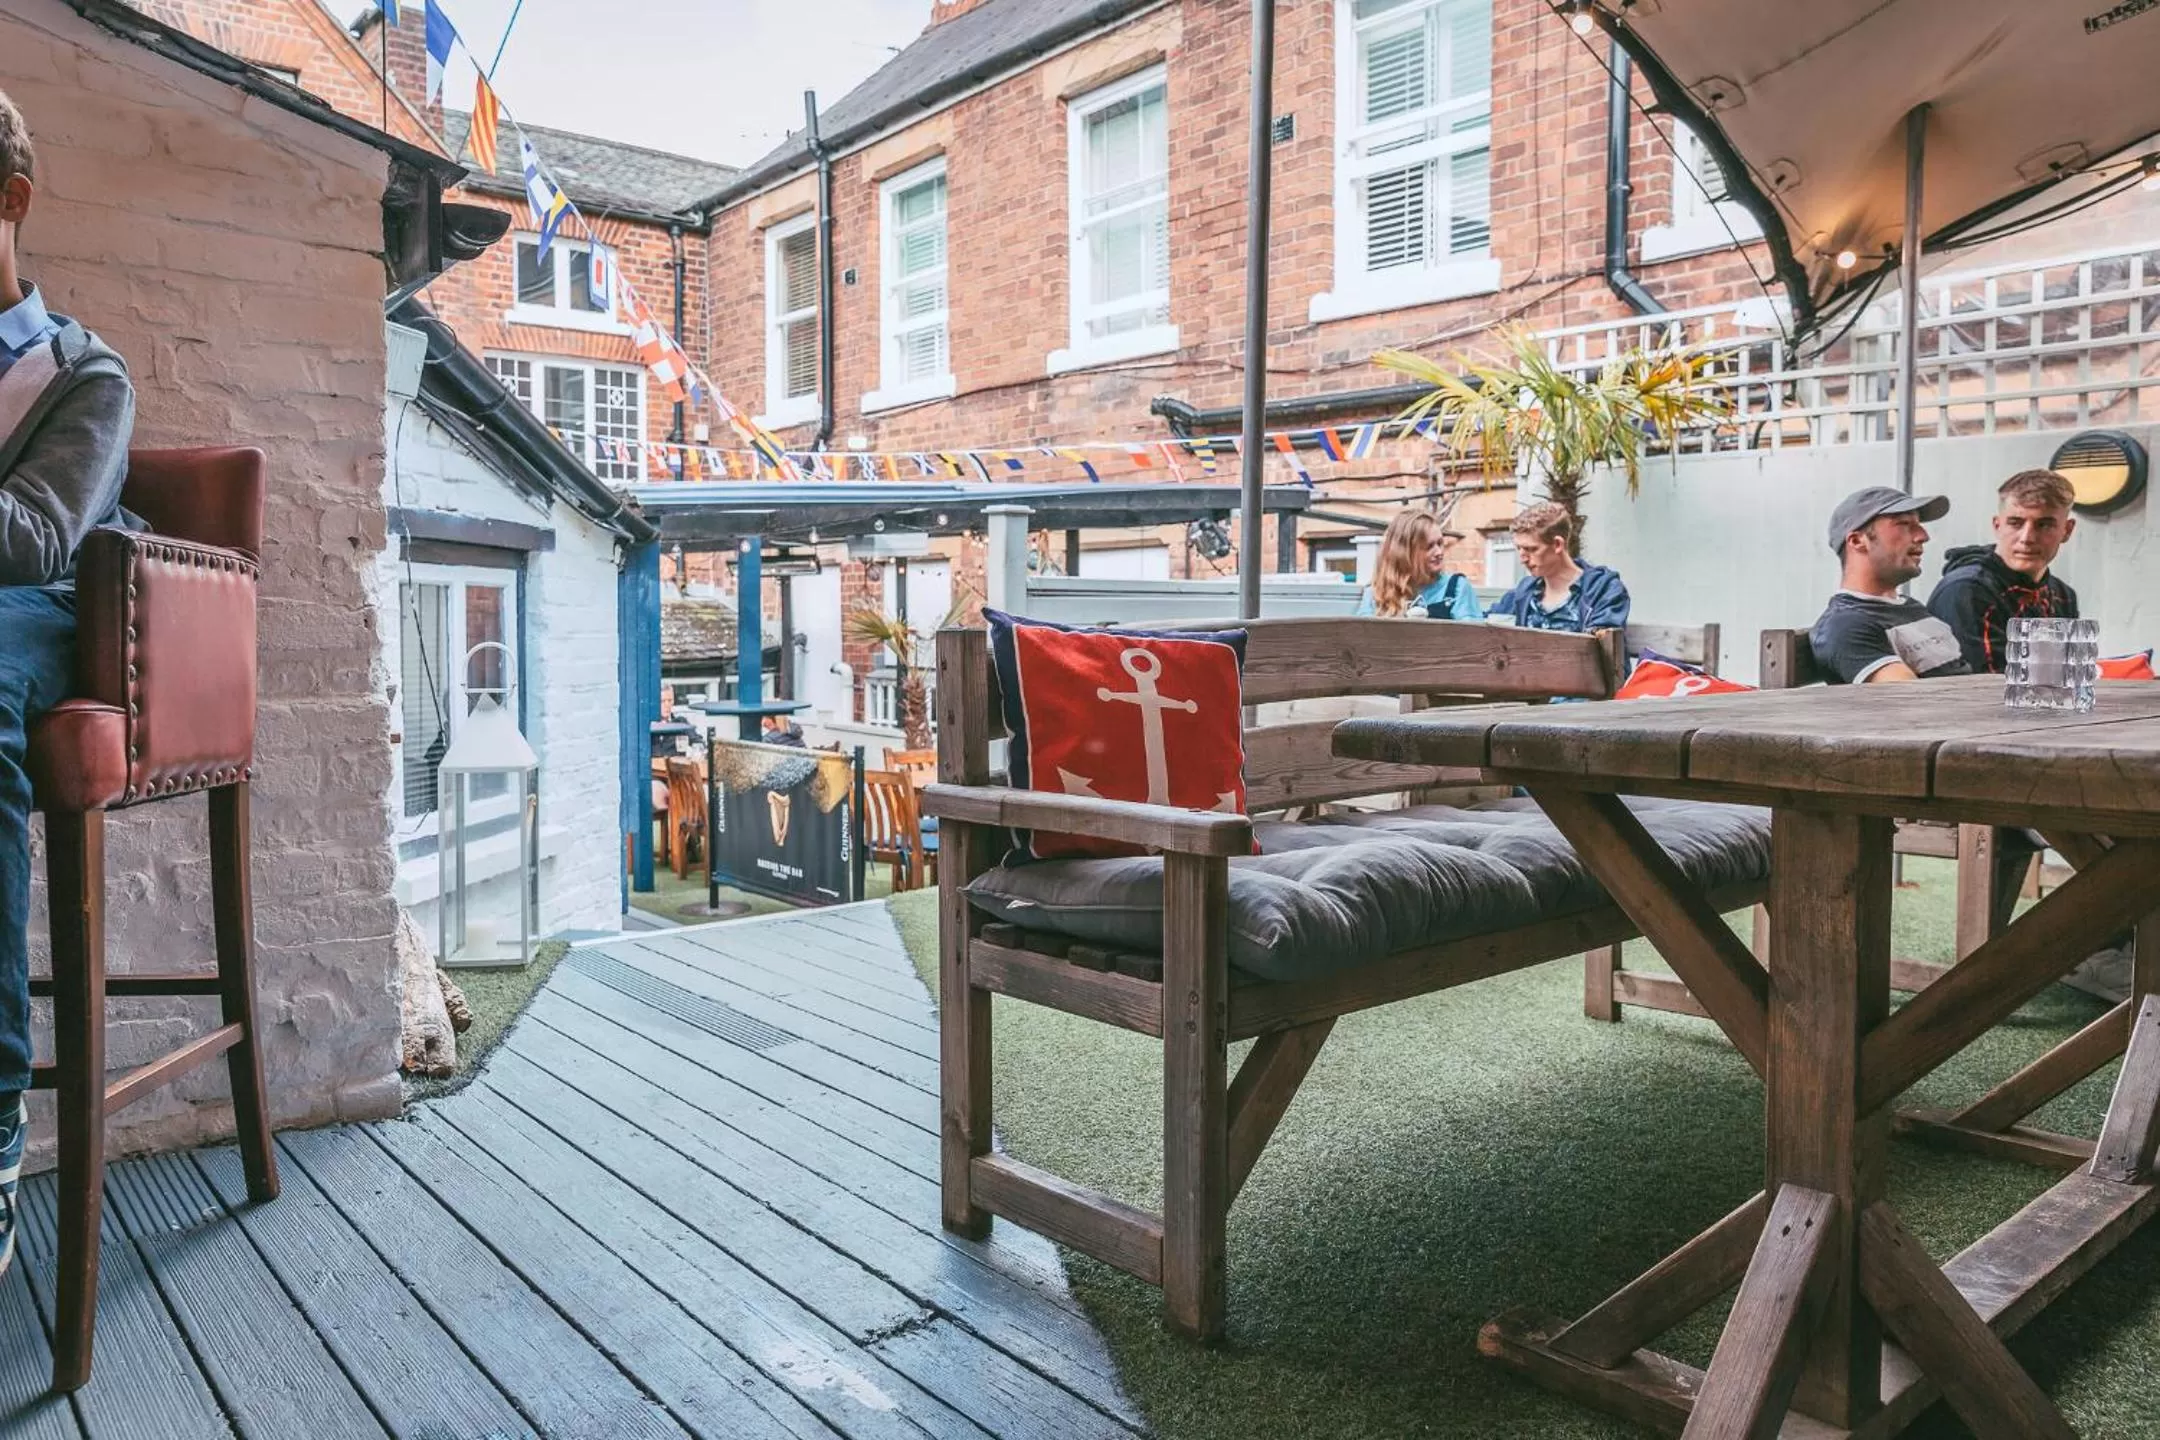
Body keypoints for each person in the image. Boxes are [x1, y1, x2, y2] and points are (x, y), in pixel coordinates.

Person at [0, 89, 138, 1277]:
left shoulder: (84, 374)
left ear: (11, 200)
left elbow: (37, 539)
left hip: (34, 617)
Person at [1927, 468, 2079, 673]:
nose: (2027, 538)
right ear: (1997, 526)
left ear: (2067, 530)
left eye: (2044, 525)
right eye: (2015, 523)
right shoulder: (1966, 590)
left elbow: (2073, 673)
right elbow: (1984, 684)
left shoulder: (2062, 595)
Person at [1808, 487, 1965, 683]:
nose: (1923, 536)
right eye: (1904, 524)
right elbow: (1911, 698)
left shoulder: (1910, 607)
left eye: (1918, 524)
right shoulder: (1846, 627)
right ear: (1857, 541)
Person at [1489, 501, 1630, 632]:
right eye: (1519, 548)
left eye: (1531, 549)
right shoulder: (1523, 592)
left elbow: (1603, 643)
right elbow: (1486, 625)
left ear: (1557, 544)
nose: (1523, 559)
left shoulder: (1602, 590)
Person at [1355, 509, 1483, 619]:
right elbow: (1361, 635)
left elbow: (1473, 637)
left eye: (1440, 543)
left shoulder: (1456, 588)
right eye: (1429, 546)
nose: (1439, 552)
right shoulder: (1376, 592)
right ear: (1405, 552)